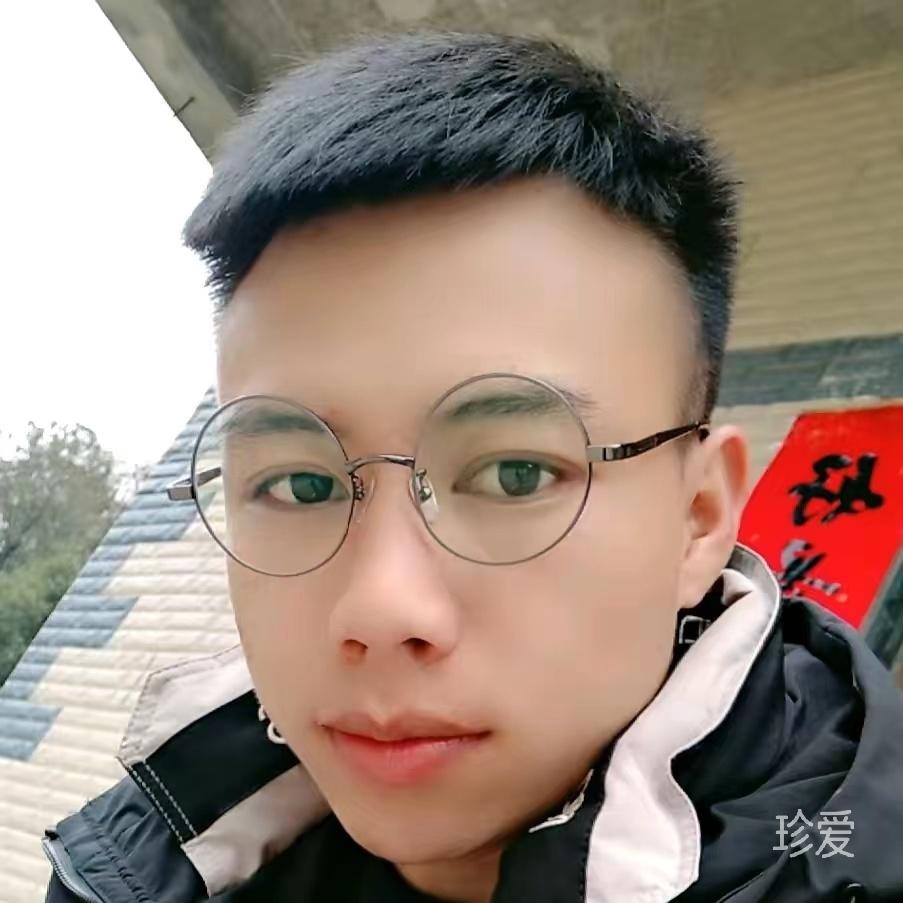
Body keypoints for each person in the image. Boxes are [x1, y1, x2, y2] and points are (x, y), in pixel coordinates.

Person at [44, 30, 903, 903]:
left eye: (514, 475)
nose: (381, 608)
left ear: (697, 519)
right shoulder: (138, 864)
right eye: (300, 484)